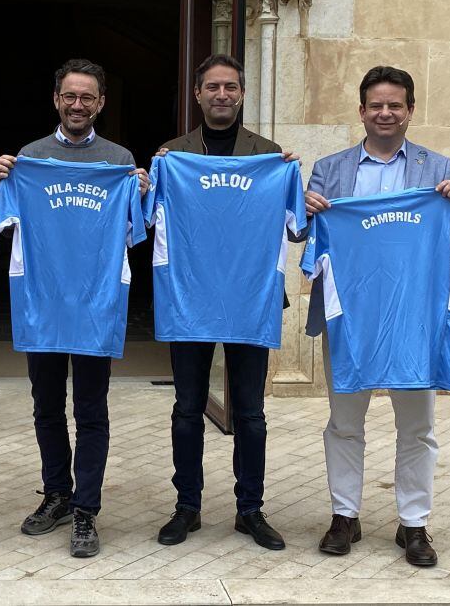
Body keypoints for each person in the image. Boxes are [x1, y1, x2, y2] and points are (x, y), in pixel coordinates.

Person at [303, 66, 450, 566]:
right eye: (376, 105)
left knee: (418, 425)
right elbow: (303, 233)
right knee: (344, 422)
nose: (385, 113)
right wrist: (307, 207)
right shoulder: (329, 168)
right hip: (349, 318)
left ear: (409, 110)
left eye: (395, 105)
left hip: (413, 315)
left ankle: (415, 525)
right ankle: (344, 515)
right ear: (361, 111)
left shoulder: (436, 166)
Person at [0, 58, 149, 558]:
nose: (77, 105)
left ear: (100, 103)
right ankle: (56, 493)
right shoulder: (28, 159)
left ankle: (86, 510)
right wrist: (1, 180)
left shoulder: (119, 159)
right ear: (56, 99)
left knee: (92, 410)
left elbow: (137, 232)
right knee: (45, 406)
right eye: (69, 96)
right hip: (43, 303)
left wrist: (139, 190)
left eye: (87, 97)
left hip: (96, 305)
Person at [153, 54, 297, 551]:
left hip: (249, 297)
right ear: (198, 94)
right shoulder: (172, 155)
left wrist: (295, 182)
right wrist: (149, 183)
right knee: (187, 409)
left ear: (241, 94)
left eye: (230, 87)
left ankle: (250, 510)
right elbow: (148, 222)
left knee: (251, 413)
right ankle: (186, 507)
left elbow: (295, 228)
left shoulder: (270, 156)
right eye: (212, 87)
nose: (221, 95)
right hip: (190, 298)